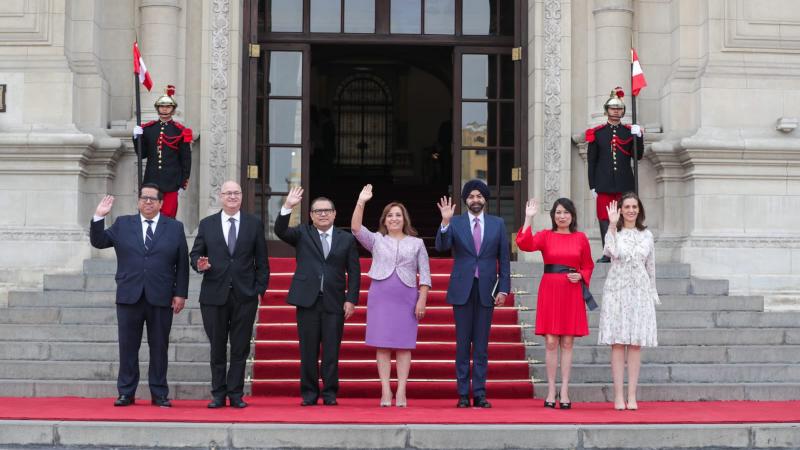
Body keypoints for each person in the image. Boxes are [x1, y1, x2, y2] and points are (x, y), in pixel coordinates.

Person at [89, 183, 189, 407]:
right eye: (144, 198)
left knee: (159, 347)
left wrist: (180, 293)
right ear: (138, 201)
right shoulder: (123, 224)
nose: (148, 202)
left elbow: (182, 263)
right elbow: (99, 241)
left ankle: (159, 393)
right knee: (128, 347)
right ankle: (126, 392)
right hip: (129, 295)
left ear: (161, 203)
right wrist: (99, 216)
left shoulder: (174, 227)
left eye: (153, 199)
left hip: (161, 296)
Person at [274, 186, 361, 406]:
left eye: (327, 210)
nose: (322, 214)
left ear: (334, 214)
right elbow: (280, 231)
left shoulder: (346, 239)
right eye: (317, 211)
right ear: (311, 215)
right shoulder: (302, 234)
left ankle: (330, 393)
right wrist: (288, 206)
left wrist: (351, 299)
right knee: (308, 350)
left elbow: (354, 272)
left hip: (335, 302)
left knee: (331, 350)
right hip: (307, 301)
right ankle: (309, 393)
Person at [190, 180, 269, 409]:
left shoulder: (254, 224)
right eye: (228, 193)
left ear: (241, 196)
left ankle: (235, 394)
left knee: (240, 347)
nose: (232, 196)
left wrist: (259, 289)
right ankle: (218, 394)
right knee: (217, 347)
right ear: (221, 197)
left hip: (245, 295)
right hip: (214, 295)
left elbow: (262, 261)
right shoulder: (207, 224)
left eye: (236, 193)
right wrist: (199, 264)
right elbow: (195, 254)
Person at [350, 184, 431, 407]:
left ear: (404, 219)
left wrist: (422, 299)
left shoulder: (417, 243)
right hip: (381, 296)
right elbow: (355, 228)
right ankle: (386, 390)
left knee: (404, 345)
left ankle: (402, 391)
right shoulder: (377, 240)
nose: (394, 219)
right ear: (384, 221)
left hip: (407, 296)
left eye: (398, 215)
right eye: (390, 215)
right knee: (383, 344)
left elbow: (425, 274)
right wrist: (361, 201)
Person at [435, 179, 511, 408]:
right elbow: (441, 246)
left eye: (479, 196)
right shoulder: (455, 222)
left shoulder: (497, 223)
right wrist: (445, 222)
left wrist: (504, 289)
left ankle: (479, 393)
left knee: (481, 345)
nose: (475, 200)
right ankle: (462, 394)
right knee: (462, 344)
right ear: (465, 200)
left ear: (485, 199)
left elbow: (504, 259)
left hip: (487, 289)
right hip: (462, 289)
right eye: (471, 197)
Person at [516, 197, 594, 410]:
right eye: (558, 212)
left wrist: (581, 275)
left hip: (571, 291)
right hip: (550, 290)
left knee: (567, 342)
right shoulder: (545, 236)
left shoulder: (580, 238)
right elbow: (524, 243)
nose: (562, 216)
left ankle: (565, 390)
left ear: (572, 216)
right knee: (551, 342)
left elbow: (588, 265)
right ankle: (551, 390)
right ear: (553, 216)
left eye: (566, 212)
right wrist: (528, 218)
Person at [597, 192, 659, 410]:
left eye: (634, 207)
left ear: (639, 210)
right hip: (617, 290)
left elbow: (651, 265)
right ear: (621, 211)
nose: (631, 210)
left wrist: (652, 291)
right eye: (627, 207)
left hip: (639, 291)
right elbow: (610, 252)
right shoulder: (615, 232)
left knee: (635, 344)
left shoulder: (647, 235)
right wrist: (612, 225)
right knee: (617, 342)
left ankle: (632, 396)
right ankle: (618, 396)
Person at [586, 87, 644, 262]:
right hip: (603, 184)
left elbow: (637, 156)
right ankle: (608, 252)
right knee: (605, 218)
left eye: (619, 108)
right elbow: (592, 162)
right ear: (607, 110)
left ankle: (626, 251)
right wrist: (592, 185)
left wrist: (638, 137)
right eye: (613, 108)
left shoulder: (628, 132)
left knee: (627, 217)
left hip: (624, 184)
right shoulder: (597, 133)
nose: (616, 111)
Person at [133, 85, 192, 218]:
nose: (164, 109)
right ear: (157, 108)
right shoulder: (148, 129)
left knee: (168, 217)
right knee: (149, 215)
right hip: (151, 181)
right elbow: (142, 154)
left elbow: (186, 159)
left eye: (168, 107)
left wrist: (182, 183)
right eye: (161, 106)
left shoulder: (180, 131)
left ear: (173, 109)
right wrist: (136, 138)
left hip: (171, 182)